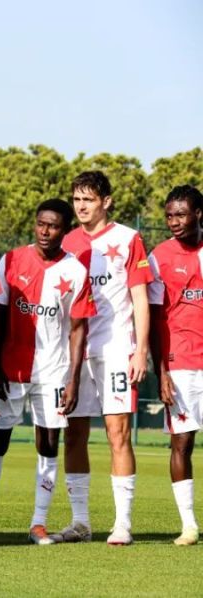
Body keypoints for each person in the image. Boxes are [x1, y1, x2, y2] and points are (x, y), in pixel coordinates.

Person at [0, 199, 94, 545]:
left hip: (52, 372)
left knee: (48, 445)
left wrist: (73, 378)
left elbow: (77, 328)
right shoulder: (10, 261)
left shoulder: (75, 271)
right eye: (41, 223)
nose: (45, 231)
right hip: (11, 370)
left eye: (53, 226)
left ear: (65, 230)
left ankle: (38, 524)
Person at [56, 171, 152, 545]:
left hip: (114, 349)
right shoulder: (66, 242)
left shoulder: (128, 239)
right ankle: (80, 522)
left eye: (89, 199)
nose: (81, 206)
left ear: (106, 201)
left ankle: (123, 523)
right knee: (74, 434)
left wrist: (140, 350)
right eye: (77, 199)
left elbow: (141, 299)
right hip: (74, 352)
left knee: (117, 433)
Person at [148, 184, 203, 546]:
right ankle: (189, 526)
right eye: (169, 215)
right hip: (180, 363)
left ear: (199, 213)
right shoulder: (158, 257)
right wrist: (162, 372)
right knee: (181, 443)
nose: (174, 222)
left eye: (181, 214)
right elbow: (153, 319)